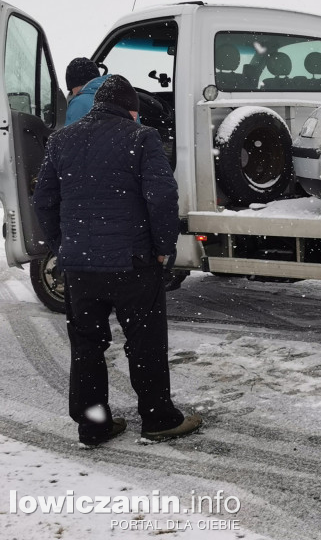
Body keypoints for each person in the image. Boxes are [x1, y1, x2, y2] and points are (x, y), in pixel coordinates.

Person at [32, 74, 202, 445]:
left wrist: (64, 245)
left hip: (80, 267)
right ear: (131, 110)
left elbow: (42, 200)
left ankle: (94, 425)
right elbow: (161, 196)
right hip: (133, 262)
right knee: (144, 344)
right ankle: (158, 419)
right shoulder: (142, 138)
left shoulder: (61, 139)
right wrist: (163, 246)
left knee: (87, 346)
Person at [64, 57, 109, 125]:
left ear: (76, 83)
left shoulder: (80, 103)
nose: (73, 93)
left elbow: (68, 134)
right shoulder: (110, 95)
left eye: (71, 89)